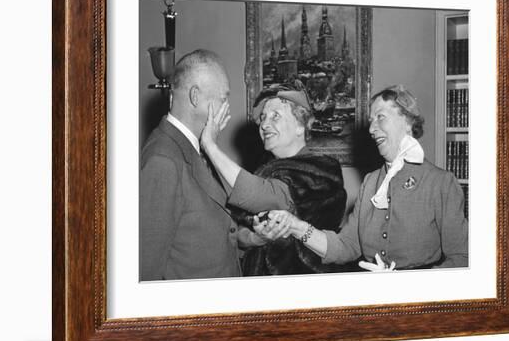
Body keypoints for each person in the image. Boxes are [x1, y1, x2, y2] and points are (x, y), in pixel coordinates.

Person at [266, 84, 469, 271]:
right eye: (371, 121)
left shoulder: (440, 183)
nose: (371, 129)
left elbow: (461, 258)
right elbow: (346, 246)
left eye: (380, 117)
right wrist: (296, 226)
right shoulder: (371, 182)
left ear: (407, 122)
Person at [201, 83, 348, 276]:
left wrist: (210, 145)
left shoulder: (321, 172)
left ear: (300, 125)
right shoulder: (265, 170)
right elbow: (237, 232)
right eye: (263, 118)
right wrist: (257, 238)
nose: (264, 124)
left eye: (275, 116)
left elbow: (266, 198)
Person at [139, 49, 241, 281]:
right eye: (223, 98)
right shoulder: (163, 160)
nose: (227, 108)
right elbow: (147, 270)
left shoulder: (193, 148)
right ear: (195, 97)